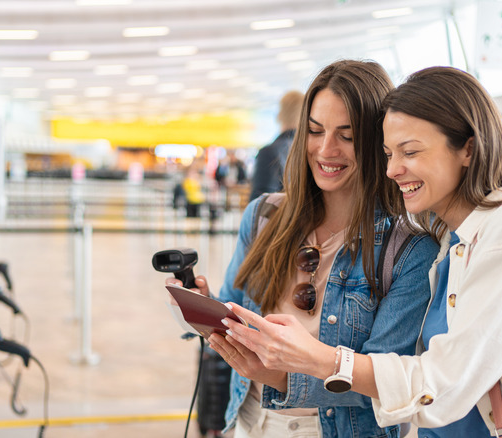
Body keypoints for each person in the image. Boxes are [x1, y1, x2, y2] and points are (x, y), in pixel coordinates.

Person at [220, 67, 502, 437]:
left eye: (411, 151)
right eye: (388, 153)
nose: (392, 169)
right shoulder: (455, 237)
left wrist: (316, 359)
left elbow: (442, 384)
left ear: (468, 147)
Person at [168, 60, 438, 437]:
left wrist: (278, 376)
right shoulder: (264, 216)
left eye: (347, 135)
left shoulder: (408, 250)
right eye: (314, 130)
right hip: (248, 419)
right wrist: (202, 306)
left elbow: (387, 383)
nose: (326, 149)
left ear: (380, 142)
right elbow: (234, 308)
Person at [249, 90, 304, 201]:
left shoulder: (269, 152)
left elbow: (260, 204)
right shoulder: (306, 151)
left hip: (278, 217)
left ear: (280, 115)